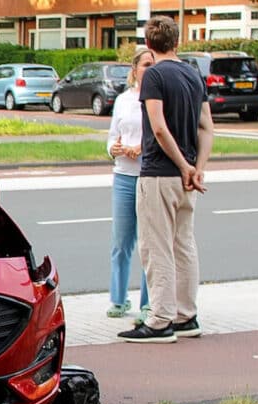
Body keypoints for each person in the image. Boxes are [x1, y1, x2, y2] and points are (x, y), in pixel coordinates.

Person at [117, 15, 213, 344]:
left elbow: (158, 128)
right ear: (177, 42)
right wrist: (196, 167)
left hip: (159, 174)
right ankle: (187, 316)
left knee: (156, 247)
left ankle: (160, 321)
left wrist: (183, 166)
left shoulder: (155, 75)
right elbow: (206, 127)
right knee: (184, 245)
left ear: (149, 44)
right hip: (187, 181)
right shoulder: (193, 74)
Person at [105, 49, 154, 320]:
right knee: (121, 241)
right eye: (146, 64)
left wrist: (141, 149)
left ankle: (148, 303)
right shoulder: (124, 100)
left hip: (148, 175)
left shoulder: (159, 99)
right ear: (134, 69)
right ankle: (118, 299)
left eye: (153, 64)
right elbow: (112, 135)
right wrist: (114, 148)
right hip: (123, 175)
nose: (150, 68)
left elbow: (160, 135)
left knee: (148, 242)